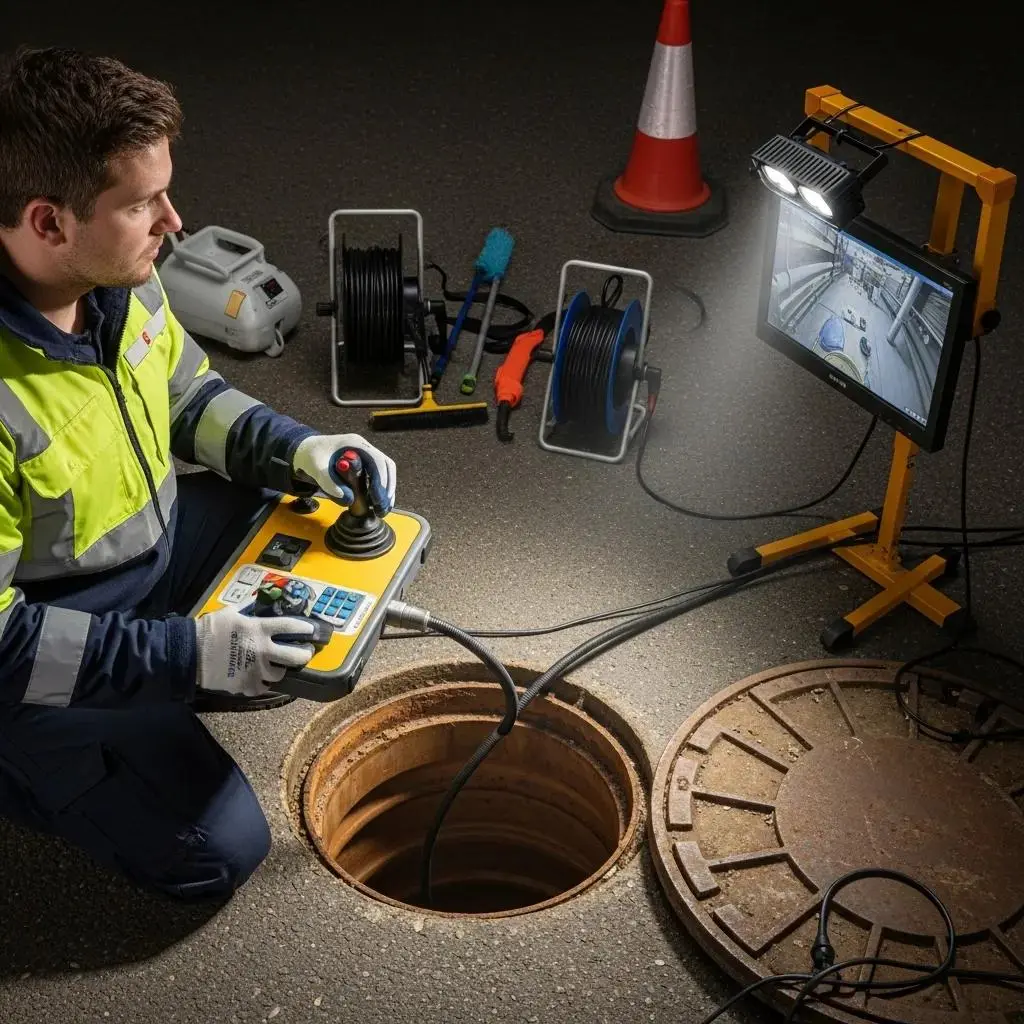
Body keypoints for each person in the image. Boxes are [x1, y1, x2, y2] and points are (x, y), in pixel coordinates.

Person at [0, 45, 398, 900]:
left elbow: (188, 399)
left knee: (298, 506)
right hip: (38, 640)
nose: (174, 221)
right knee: (215, 853)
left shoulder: (118, 279)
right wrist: (186, 655)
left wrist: (301, 448)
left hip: (148, 551)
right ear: (48, 221)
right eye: (142, 203)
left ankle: (163, 682)